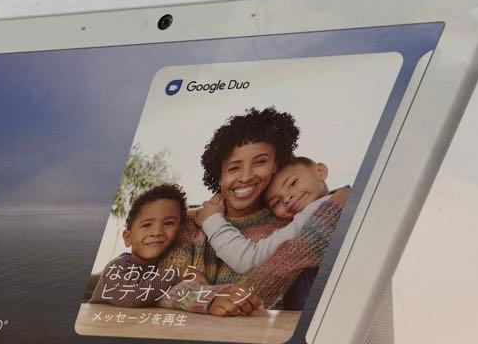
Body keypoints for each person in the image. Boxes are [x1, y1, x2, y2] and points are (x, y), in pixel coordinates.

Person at [153, 108, 345, 317]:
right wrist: (208, 298)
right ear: (219, 177)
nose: (245, 177)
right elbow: (160, 285)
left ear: (275, 166)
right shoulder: (190, 224)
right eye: (233, 168)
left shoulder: (289, 222)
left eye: (260, 162)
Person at [194, 157, 349, 274]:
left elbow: (248, 260)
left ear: (320, 171)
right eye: (276, 202)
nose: (286, 198)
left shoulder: (319, 210)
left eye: (292, 183)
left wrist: (212, 221)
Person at [89, 183, 203, 307]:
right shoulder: (118, 266)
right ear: (128, 237)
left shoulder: (160, 268)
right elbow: (131, 297)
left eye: (168, 223)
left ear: (179, 232)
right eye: (147, 225)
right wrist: (178, 274)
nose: (157, 232)